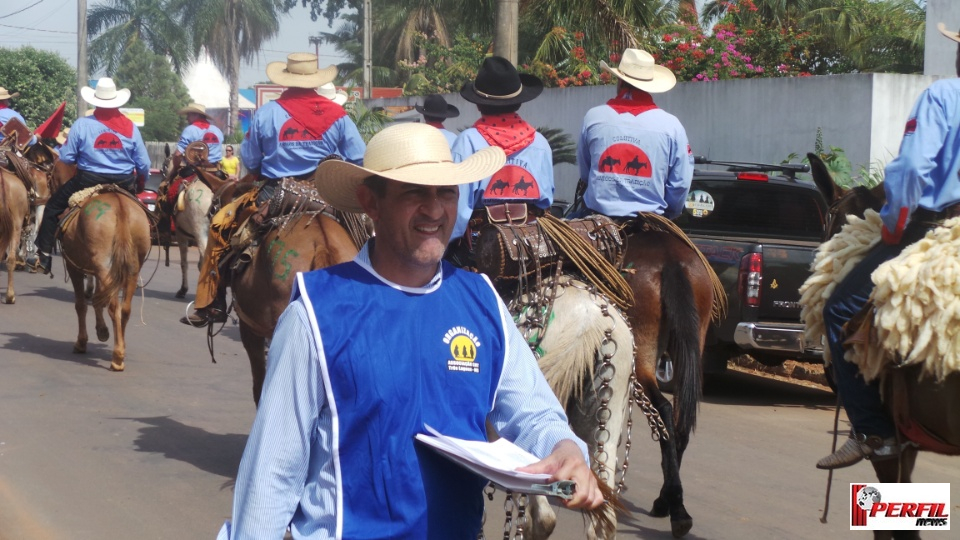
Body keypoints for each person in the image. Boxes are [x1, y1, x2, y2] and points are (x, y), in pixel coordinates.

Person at [216, 123, 603, 539]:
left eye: (447, 192)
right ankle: (209, 297)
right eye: (415, 191)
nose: (435, 210)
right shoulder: (315, 312)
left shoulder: (482, 301)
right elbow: (272, 471)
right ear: (371, 202)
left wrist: (565, 450)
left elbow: (534, 411)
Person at [816, 22, 960, 470]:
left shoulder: (943, 96)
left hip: (937, 226)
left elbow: (914, 167)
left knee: (836, 308)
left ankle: (872, 432)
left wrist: (896, 222)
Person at [181, 52, 365, 327]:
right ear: (315, 80)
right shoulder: (338, 115)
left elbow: (252, 161)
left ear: (286, 80)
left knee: (220, 228)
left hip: (275, 192)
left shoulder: (267, 112)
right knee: (367, 234)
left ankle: (212, 303)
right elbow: (358, 158)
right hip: (326, 193)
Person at [34, 78, 151, 274]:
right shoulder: (131, 127)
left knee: (53, 206)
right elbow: (144, 164)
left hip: (89, 179)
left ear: (96, 101)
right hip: (124, 181)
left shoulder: (82, 124)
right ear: (117, 101)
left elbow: (68, 158)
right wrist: (140, 182)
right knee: (147, 215)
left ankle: (44, 255)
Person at [575, 48, 693, 220]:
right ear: (649, 86)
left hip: (598, 218)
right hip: (650, 220)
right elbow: (680, 184)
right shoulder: (672, 126)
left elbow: (586, 174)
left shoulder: (594, 117)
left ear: (620, 81)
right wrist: (670, 215)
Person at [449, 56, 555, 243]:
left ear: (478, 104)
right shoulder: (540, 143)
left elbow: (457, 210)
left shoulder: (468, 142)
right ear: (519, 102)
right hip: (531, 242)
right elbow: (546, 201)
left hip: (481, 244)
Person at [171, 102, 225, 174]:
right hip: (216, 171)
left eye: (189, 115)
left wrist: (175, 167)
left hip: (195, 170)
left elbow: (178, 154)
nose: (187, 118)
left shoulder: (190, 130)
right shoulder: (217, 130)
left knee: (174, 182)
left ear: (196, 115)